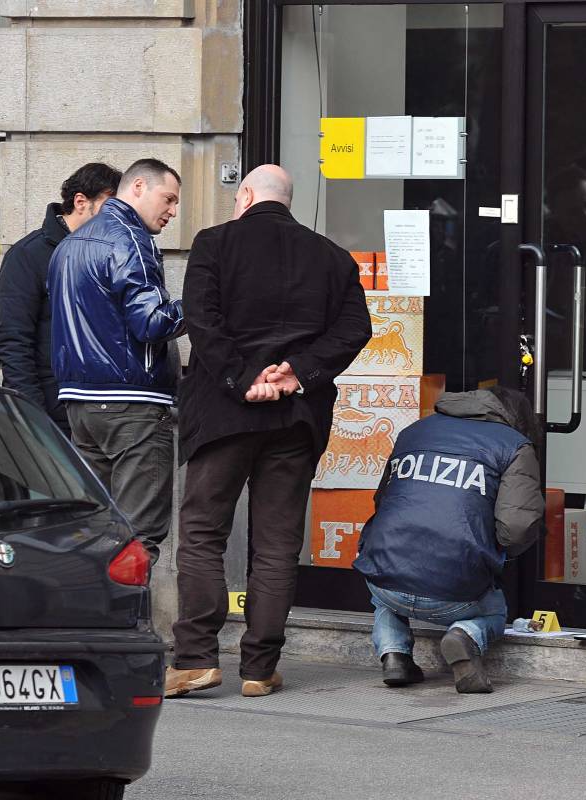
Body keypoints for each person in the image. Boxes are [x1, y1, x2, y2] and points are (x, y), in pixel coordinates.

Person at [164, 165, 371, 699]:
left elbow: (201, 320)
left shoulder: (213, 243)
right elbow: (355, 330)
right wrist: (297, 371)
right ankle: (259, 668)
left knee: (204, 532)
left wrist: (241, 378)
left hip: (224, 413)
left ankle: (194, 659)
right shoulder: (332, 257)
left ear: (247, 195)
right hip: (296, 416)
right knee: (277, 544)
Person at [353, 387, 545, 694]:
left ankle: (395, 655)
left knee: (385, 598)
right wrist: (499, 555)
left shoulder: (414, 431)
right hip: (456, 591)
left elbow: (384, 501)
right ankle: (465, 634)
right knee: (494, 611)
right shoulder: (514, 445)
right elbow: (517, 527)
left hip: (385, 577)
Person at [47, 158, 185, 564]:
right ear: (138, 186)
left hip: (80, 405)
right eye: (169, 198)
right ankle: (127, 627)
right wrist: (198, 306)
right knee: (137, 541)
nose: (173, 211)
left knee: (94, 532)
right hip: (132, 405)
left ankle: (85, 622)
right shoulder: (131, 238)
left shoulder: (69, 243)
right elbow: (152, 322)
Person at [0, 163, 121, 435]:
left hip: (103, 414)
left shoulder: (110, 253)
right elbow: (14, 342)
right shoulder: (28, 255)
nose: (116, 219)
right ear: (80, 202)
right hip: (53, 414)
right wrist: (33, 417)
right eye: (110, 208)